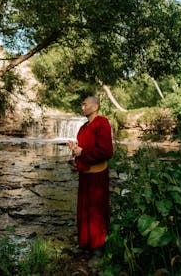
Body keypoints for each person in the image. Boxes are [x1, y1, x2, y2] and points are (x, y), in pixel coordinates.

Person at [68, 96, 113, 251]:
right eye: (82, 104)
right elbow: (83, 148)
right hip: (85, 174)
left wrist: (83, 152)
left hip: (97, 175)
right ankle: (85, 242)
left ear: (95, 107)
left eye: (85, 104)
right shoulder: (83, 127)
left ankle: (98, 247)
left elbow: (106, 151)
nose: (82, 107)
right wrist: (76, 149)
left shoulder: (102, 123)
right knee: (84, 209)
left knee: (96, 211)